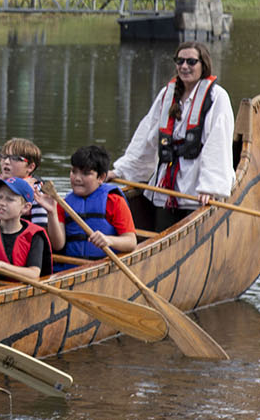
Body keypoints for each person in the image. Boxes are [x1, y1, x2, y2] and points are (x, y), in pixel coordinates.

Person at [112, 41, 236, 232]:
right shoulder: (167, 95)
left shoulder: (217, 96)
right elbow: (147, 135)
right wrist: (122, 171)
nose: (184, 66)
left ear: (203, 64)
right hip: (167, 186)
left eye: (191, 62)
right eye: (180, 61)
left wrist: (210, 187)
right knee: (163, 232)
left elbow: (218, 142)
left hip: (196, 186)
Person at [44, 145, 138, 267]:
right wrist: (51, 212)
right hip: (71, 268)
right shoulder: (63, 204)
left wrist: (109, 240)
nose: (77, 178)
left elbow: (131, 242)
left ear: (101, 177)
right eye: (74, 171)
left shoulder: (114, 202)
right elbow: (58, 245)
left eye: (86, 173)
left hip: (105, 267)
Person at [0, 177, 51, 283]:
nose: (1, 203)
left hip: (18, 291)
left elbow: (34, 274)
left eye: (10, 199)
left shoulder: (35, 236)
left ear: (25, 207)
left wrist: (0, 265)